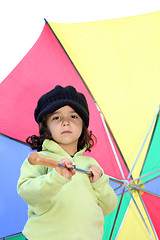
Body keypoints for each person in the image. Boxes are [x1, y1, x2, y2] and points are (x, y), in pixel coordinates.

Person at [17, 85, 118, 240]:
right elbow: (27, 192)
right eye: (56, 117)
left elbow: (108, 206)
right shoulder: (41, 159)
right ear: (46, 126)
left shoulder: (91, 163)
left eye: (73, 116)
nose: (65, 122)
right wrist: (56, 178)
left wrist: (100, 184)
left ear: (83, 124)